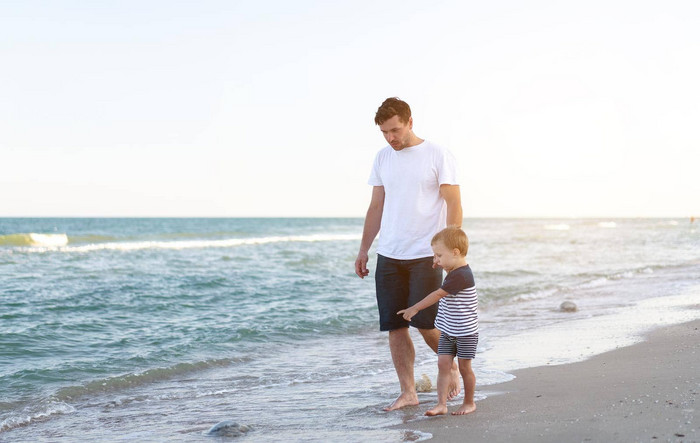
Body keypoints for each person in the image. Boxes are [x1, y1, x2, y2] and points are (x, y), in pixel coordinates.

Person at [354, 97, 463, 411]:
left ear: (410, 122)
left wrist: (449, 252)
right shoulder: (383, 158)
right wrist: (364, 249)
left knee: (426, 324)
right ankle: (408, 391)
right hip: (389, 254)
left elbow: (454, 203)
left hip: (425, 255)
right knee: (394, 326)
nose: (391, 138)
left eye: (395, 130)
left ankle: (452, 367)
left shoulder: (437, 154)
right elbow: (376, 206)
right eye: (385, 132)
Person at [398, 227, 478, 416]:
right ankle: (441, 404)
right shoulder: (454, 271)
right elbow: (444, 278)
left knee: (465, 368)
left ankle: (469, 402)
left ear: (455, 253)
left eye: (439, 255)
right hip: (449, 331)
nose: (436, 260)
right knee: (443, 364)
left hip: (465, 332)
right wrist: (440, 263)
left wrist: (415, 308)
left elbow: (437, 294)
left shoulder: (462, 275)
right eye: (435, 256)